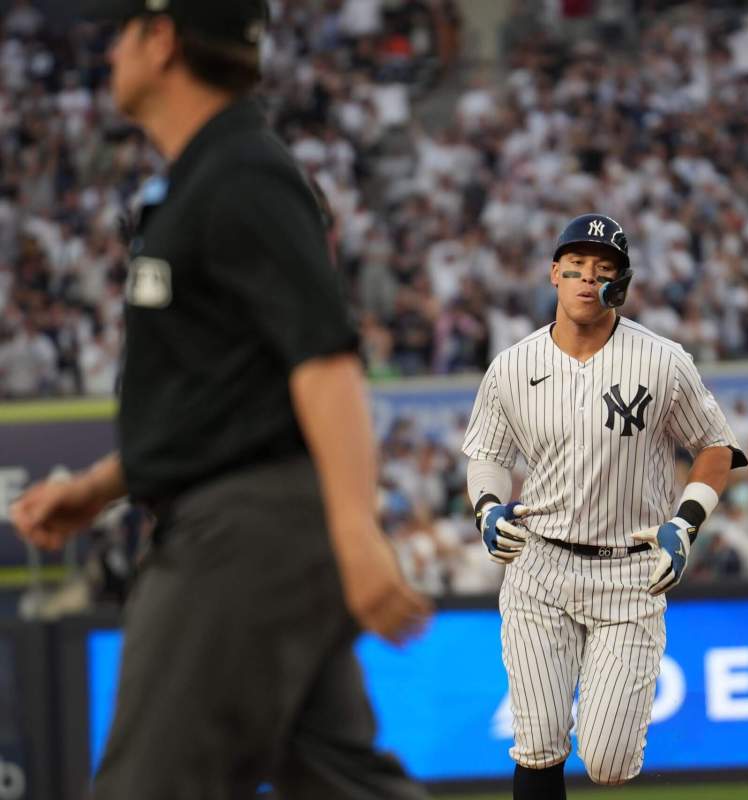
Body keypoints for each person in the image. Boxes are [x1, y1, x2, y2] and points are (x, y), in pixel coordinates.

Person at [8, 2, 431, 797]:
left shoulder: (242, 172)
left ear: (161, 39)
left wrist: (358, 531)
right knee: (341, 782)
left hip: (242, 534)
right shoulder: (204, 178)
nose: (109, 53)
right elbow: (218, 400)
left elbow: (325, 360)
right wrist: (97, 489)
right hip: (260, 524)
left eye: (121, 32)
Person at [461, 212, 747, 798]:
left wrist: (684, 525)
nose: (588, 279)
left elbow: (716, 448)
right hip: (539, 565)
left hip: (629, 571)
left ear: (623, 282)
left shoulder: (662, 360)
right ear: (554, 275)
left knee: (609, 760)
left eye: (604, 269)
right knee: (538, 742)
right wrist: (488, 507)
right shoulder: (512, 366)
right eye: (578, 267)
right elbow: (487, 454)